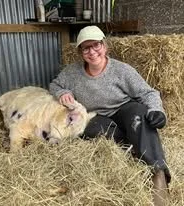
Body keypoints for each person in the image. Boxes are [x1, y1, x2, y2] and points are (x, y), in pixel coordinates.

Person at [49, 25, 170, 205]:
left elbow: (148, 93)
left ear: (105, 46)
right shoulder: (72, 72)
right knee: (88, 129)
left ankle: (158, 174)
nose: (92, 52)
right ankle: (134, 140)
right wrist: (62, 92)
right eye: (86, 47)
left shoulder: (122, 70)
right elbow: (55, 85)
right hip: (96, 116)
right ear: (80, 52)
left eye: (96, 45)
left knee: (139, 114)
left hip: (123, 110)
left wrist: (156, 110)